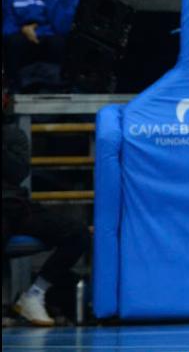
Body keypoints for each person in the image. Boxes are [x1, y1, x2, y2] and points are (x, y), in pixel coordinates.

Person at [2, 91, 90, 326]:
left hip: (14, 204)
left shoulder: (13, 135)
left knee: (77, 233)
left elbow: (17, 173)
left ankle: (34, 295)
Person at [2, 0, 75, 93]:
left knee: (59, 42)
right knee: (13, 41)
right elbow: (7, 27)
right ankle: (12, 92)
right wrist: (24, 29)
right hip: (22, 44)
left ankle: (59, 93)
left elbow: (63, 28)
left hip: (50, 45)